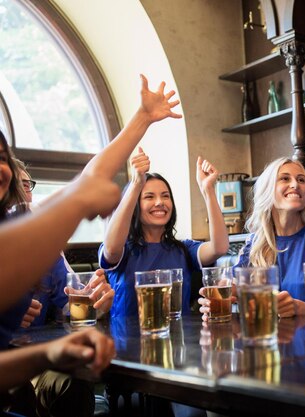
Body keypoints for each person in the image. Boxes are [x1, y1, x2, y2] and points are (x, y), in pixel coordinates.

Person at [0, 74, 181, 416]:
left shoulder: (15, 223)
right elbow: (81, 191)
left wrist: (142, 118)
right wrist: (78, 204)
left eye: (2, 157)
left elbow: (87, 179)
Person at [198, 157, 305, 320]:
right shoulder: (255, 243)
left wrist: (297, 307)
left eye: (301, 180)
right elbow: (230, 288)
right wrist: (216, 300)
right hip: (263, 340)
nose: (295, 185)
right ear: (267, 190)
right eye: (285, 178)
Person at [99, 147, 229, 319]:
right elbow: (111, 248)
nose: (160, 202)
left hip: (178, 341)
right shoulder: (122, 250)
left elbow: (219, 248)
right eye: (149, 197)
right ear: (135, 205)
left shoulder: (183, 249)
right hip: (128, 343)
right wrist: (136, 184)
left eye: (165, 196)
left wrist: (208, 190)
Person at [12, 160, 114, 328]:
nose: (19, 193)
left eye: (25, 185)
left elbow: (79, 308)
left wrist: (99, 302)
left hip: (32, 349)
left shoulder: (46, 249)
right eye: (8, 186)